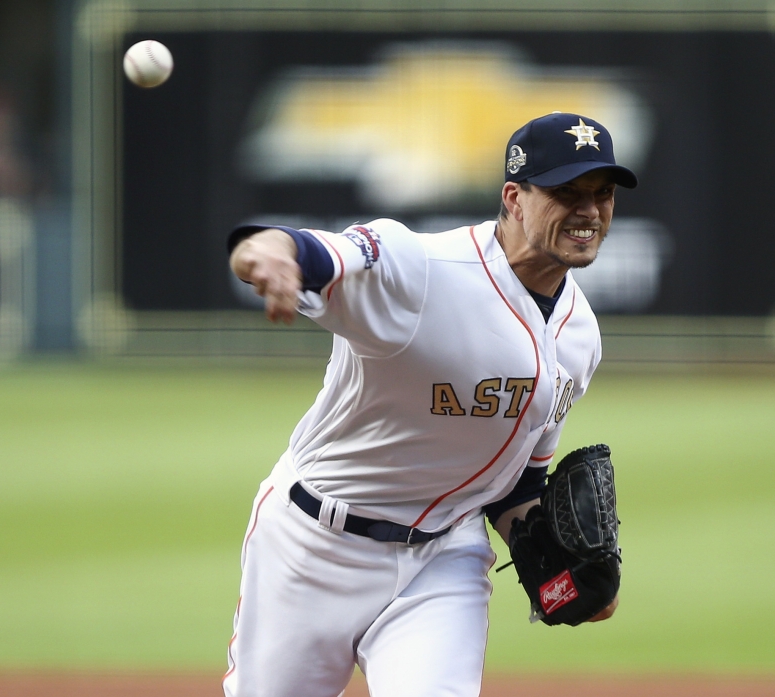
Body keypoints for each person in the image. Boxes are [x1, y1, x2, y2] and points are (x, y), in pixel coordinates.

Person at [224, 111, 637, 697]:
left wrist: (556, 559)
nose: (589, 211)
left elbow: (517, 481)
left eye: (602, 194)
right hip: (311, 545)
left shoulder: (580, 335)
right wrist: (263, 255)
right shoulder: (416, 269)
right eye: (566, 192)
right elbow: (300, 249)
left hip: (442, 558)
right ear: (514, 199)